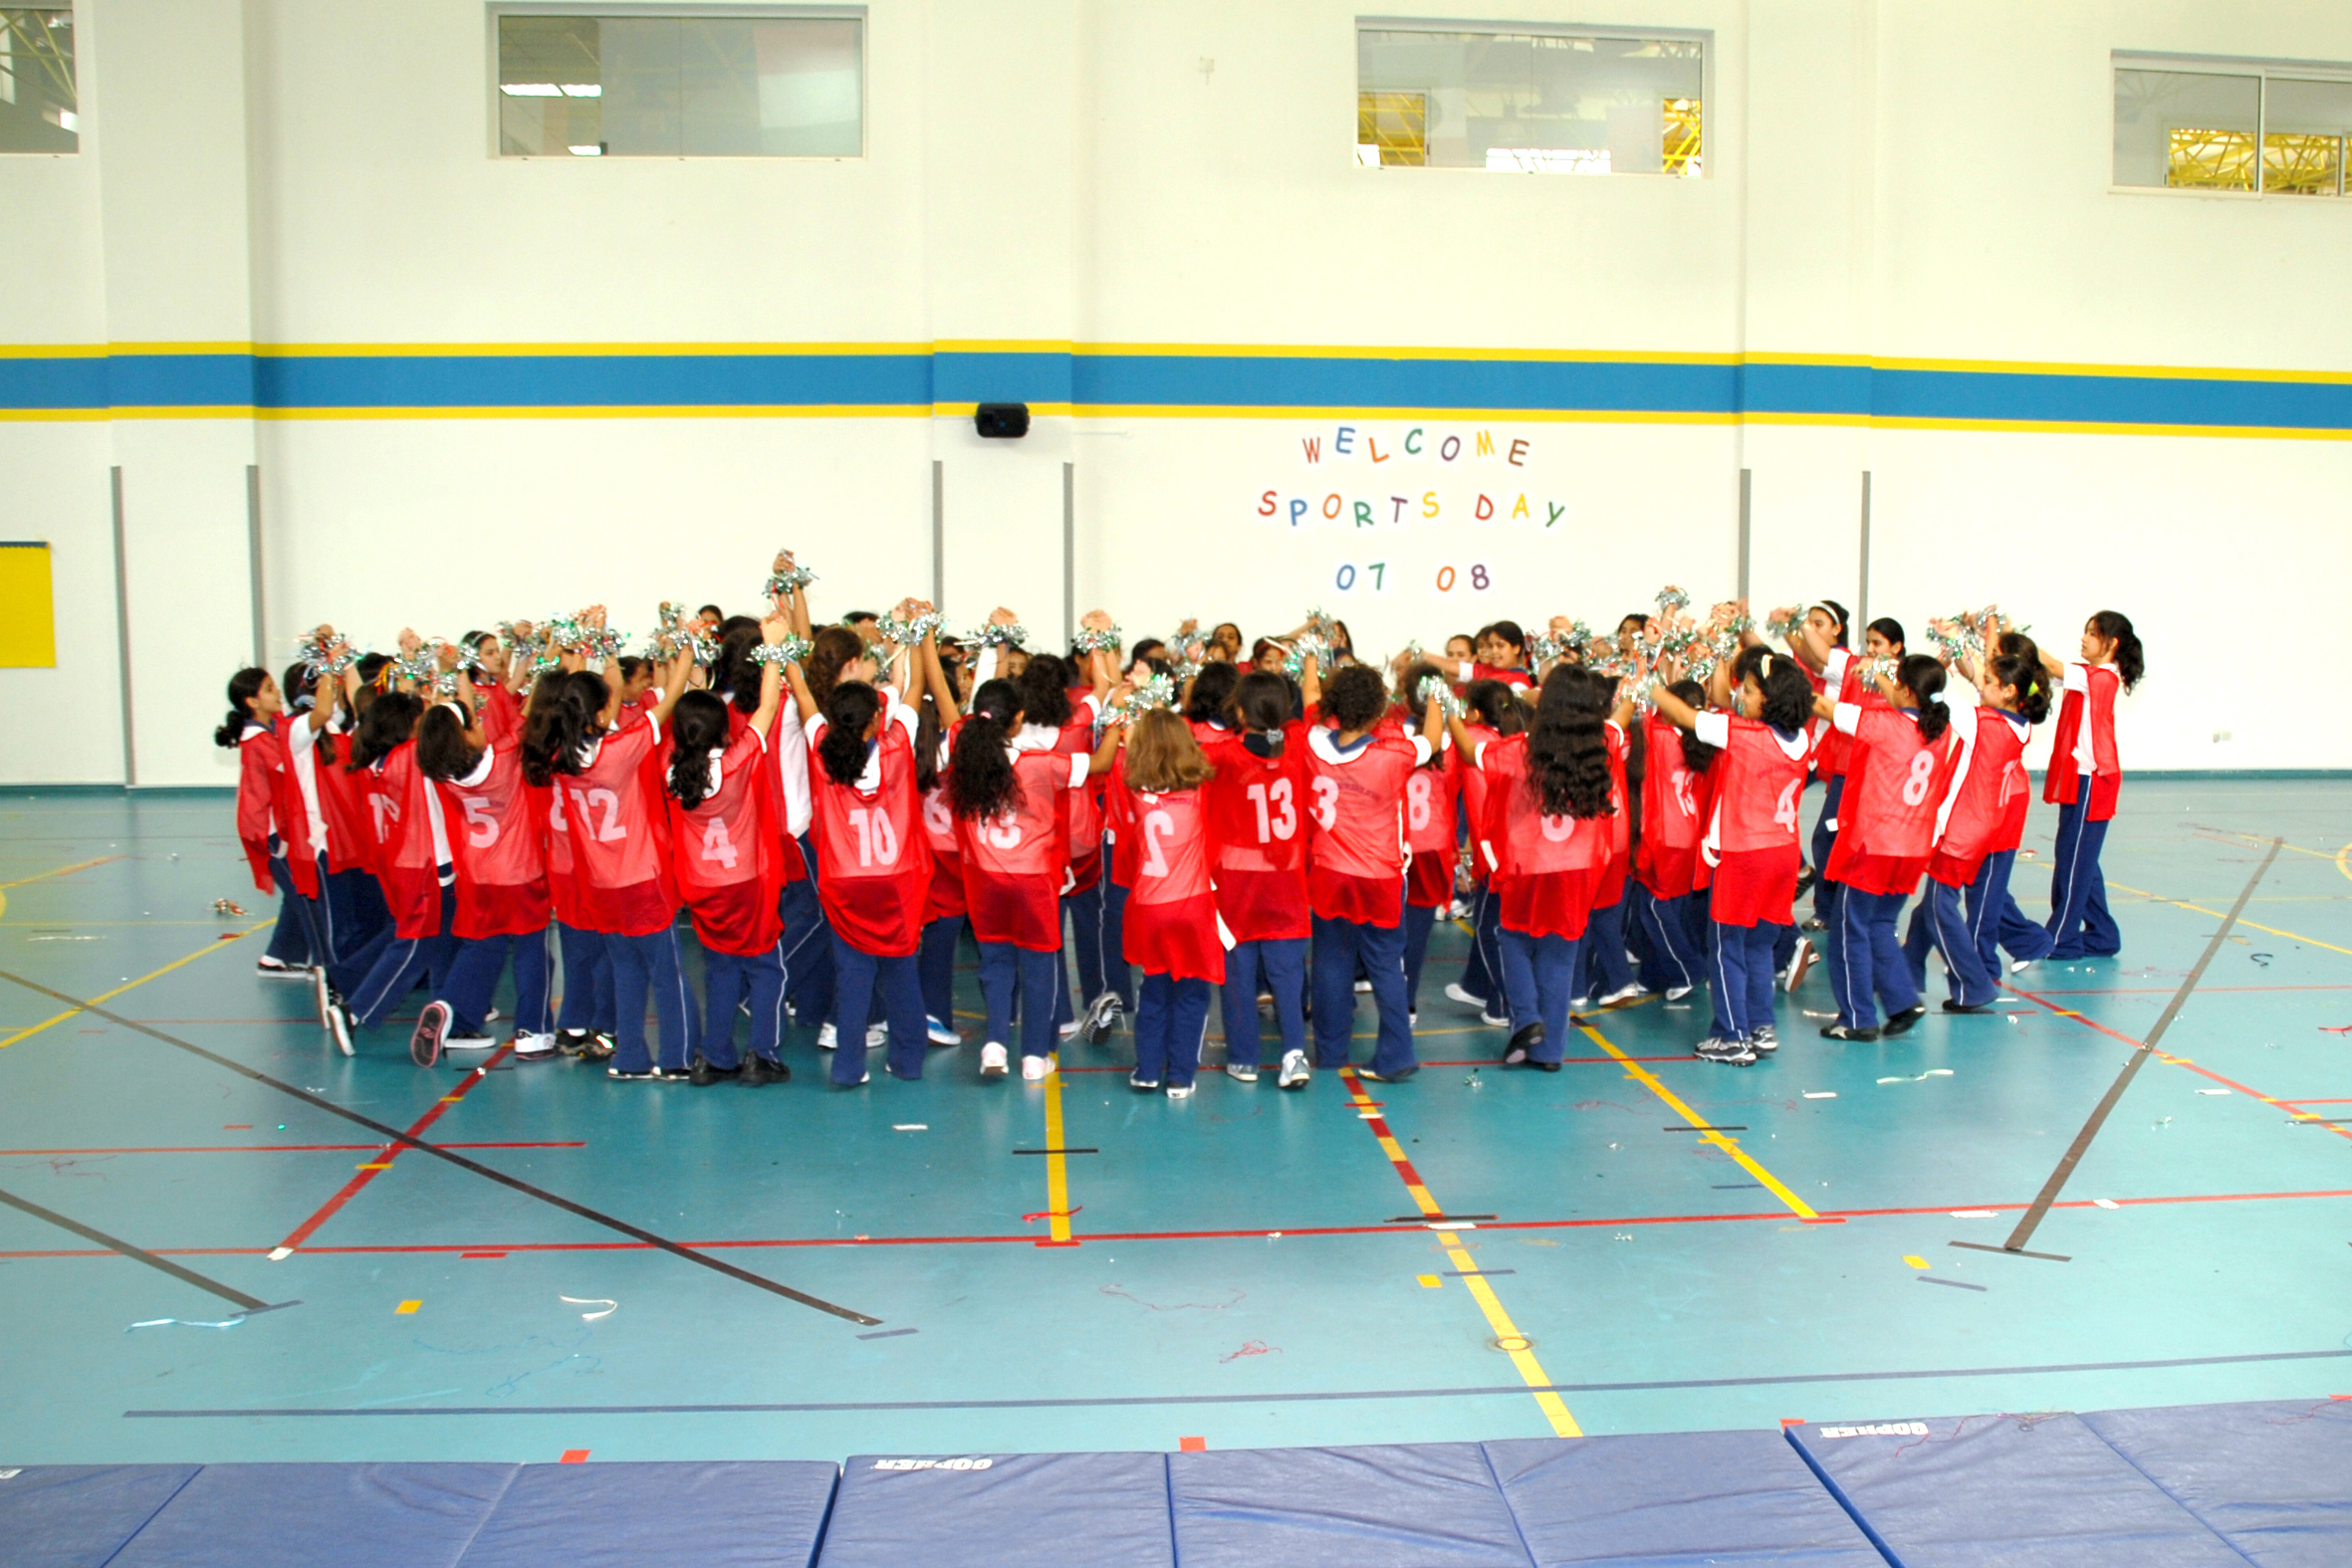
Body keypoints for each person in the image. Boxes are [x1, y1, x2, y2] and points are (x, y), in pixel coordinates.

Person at [948, 610, 1112, 1080]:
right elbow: (1099, 764)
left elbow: (974, 711)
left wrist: (995, 650)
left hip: (984, 879)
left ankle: (995, 1045)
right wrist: (1119, 726)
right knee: (1039, 966)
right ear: (1016, 719)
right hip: (1033, 880)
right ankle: (1035, 1055)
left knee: (995, 964)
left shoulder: (963, 753)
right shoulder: (1042, 763)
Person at [528, 633, 698, 1080]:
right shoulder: (622, 749)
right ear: (603, 712)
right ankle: (676, 1058)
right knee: (666, 971)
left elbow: (598, 697)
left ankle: (630, 1058)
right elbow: (670, 698)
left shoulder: (559, 757)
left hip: (600, 883)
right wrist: (685, 651)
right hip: (641, 876)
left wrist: (593, 648)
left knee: (625, 970)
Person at [794, 611, 938, 1086]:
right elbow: (914, 690)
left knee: (853, 974)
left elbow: (804, 698)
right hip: (896, 881)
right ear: (877, 719)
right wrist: (915, 637)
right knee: (901, 971)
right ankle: (907, 1060)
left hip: (844, 880)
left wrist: (785, 656)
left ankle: (848, 1066)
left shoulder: (823, 750)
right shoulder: (896, 747)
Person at [1649, 648, 1814, 1063]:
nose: (1742, 695)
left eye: (1751, 690)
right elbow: (1725, 701)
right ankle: (1761, 1026)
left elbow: (1686, 716)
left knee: (1725, 946)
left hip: (1745, 854)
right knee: (1759, 945)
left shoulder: (1742, 734)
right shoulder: (1801, 739)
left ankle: (1731, 1036)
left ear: (1768, 699)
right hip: (1783, 852)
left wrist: (1650, 687)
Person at [1447, 666, 1615, 1069]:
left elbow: (1472, 753)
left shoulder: (1520, 749)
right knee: (1560, 956)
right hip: (1578, 867)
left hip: (1529, 865)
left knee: (1513, 939)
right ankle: (1550, 1051)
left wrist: (1449, 711)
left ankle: (1525, 1018)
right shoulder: (1598, 748)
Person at [1297, 658, 1445, 1083]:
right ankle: (1396, 1053)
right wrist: (1436, 696)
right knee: (1385, 963)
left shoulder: (1310, 740)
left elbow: (1310, 698)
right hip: (1379, 875)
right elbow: (1433, 740)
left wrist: (1311, 663)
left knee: (1330, 959)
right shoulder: (1393, 753)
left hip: (1328, 870)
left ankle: (1331, 1052)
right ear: (1379, 709)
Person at [665, 614, 795, 1086]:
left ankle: (713, 1055)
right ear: (722, 728)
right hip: (746, 880)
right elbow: (767, 706)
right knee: (765, 966)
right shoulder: (737, 761)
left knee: (719, 968)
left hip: (702, 885)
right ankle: (762, 1053)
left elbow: (689, 718)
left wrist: (689, 664)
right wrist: (773, 650)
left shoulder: (672, 773)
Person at [1809, 652, 1964, 1041]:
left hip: (1875, 845)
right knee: (1880, 924)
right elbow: (1901, 699)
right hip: (1912, 849)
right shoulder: (1939, 730)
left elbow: (1826, 708)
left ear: (1907, 690)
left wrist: (1790, 688)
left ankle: (1856, 1018)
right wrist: (1880, 677)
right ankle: (1902, 999)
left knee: (1850, 929)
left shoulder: (1883, 724)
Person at [410, 662, 556, 1066]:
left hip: (477, 875)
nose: (480, 723)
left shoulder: (444, 773)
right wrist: (549, 667)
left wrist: (457, 673)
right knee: (532, 952)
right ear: (465, 736)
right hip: (520, 873)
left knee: (481, 946)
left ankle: (453, 1013)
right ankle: (532, 1031)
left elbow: (453, 723)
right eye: (474, 722)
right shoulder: (505, 755)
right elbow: (530, 712)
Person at [1906, 629, 2050, 1011]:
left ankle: (1974, 985)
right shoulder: (2018, 724)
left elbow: (1935, 696)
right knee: (1931, 905)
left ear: (2009, 691)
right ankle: (1906, 972)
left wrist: (1909, 672)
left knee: (1939, 906)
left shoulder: (1983, 723)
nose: (1980, 685)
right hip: (1979, 825)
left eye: (1987, 682)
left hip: (1962, 829)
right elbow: (1971, 687)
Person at [1101, 705, 1222, 1096]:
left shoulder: (1134, 792)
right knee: (1193, 992)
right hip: (1191, 904)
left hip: (1149, 905)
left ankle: (1147, 1070)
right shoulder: (1200, 792)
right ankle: (1181, 1075)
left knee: (1153, 989)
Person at [1200, 670, 1312, 1087]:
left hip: (1237, 880)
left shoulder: (1221, 754)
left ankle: (1244, 1058)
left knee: (1238, 969)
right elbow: (1304, 713)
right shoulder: (1298, 746)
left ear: (1241, 712)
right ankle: (1294, 1054)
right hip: (1286, 877)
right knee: (1287, 972)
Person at [2040, 610, 2143, 961]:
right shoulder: (2085, 676)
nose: (2084, 639)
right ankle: (2102, 934)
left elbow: (2051, 665)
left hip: (2093, 781)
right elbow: (2047, 672)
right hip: (2078, 777)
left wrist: (2008, 630)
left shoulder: (2101, 677)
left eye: (2092, 634)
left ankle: (2062, 938)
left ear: (2111, 643)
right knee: (2079, 857)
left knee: (2075, 861)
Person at [1440, 680, 1524, 1024]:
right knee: (1491, 921)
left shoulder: (1477, 739)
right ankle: (1476, 985)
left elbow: (1458, 751)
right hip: (1507, 847)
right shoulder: (1513, 740)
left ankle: (1503, 1004)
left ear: (1474, 714)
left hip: (1497, 853)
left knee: (1490, 927)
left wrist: (1445, 711)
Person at [1631, 678, 1714, 1004]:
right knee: (1674, 905)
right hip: (1689, 832)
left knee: (1653, 906)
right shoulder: (1699, 742)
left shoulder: (1663, 737)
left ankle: (1686, 969)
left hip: (1665, 834)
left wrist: (1643, 679)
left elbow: (1641, 718)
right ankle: (1655, 974)